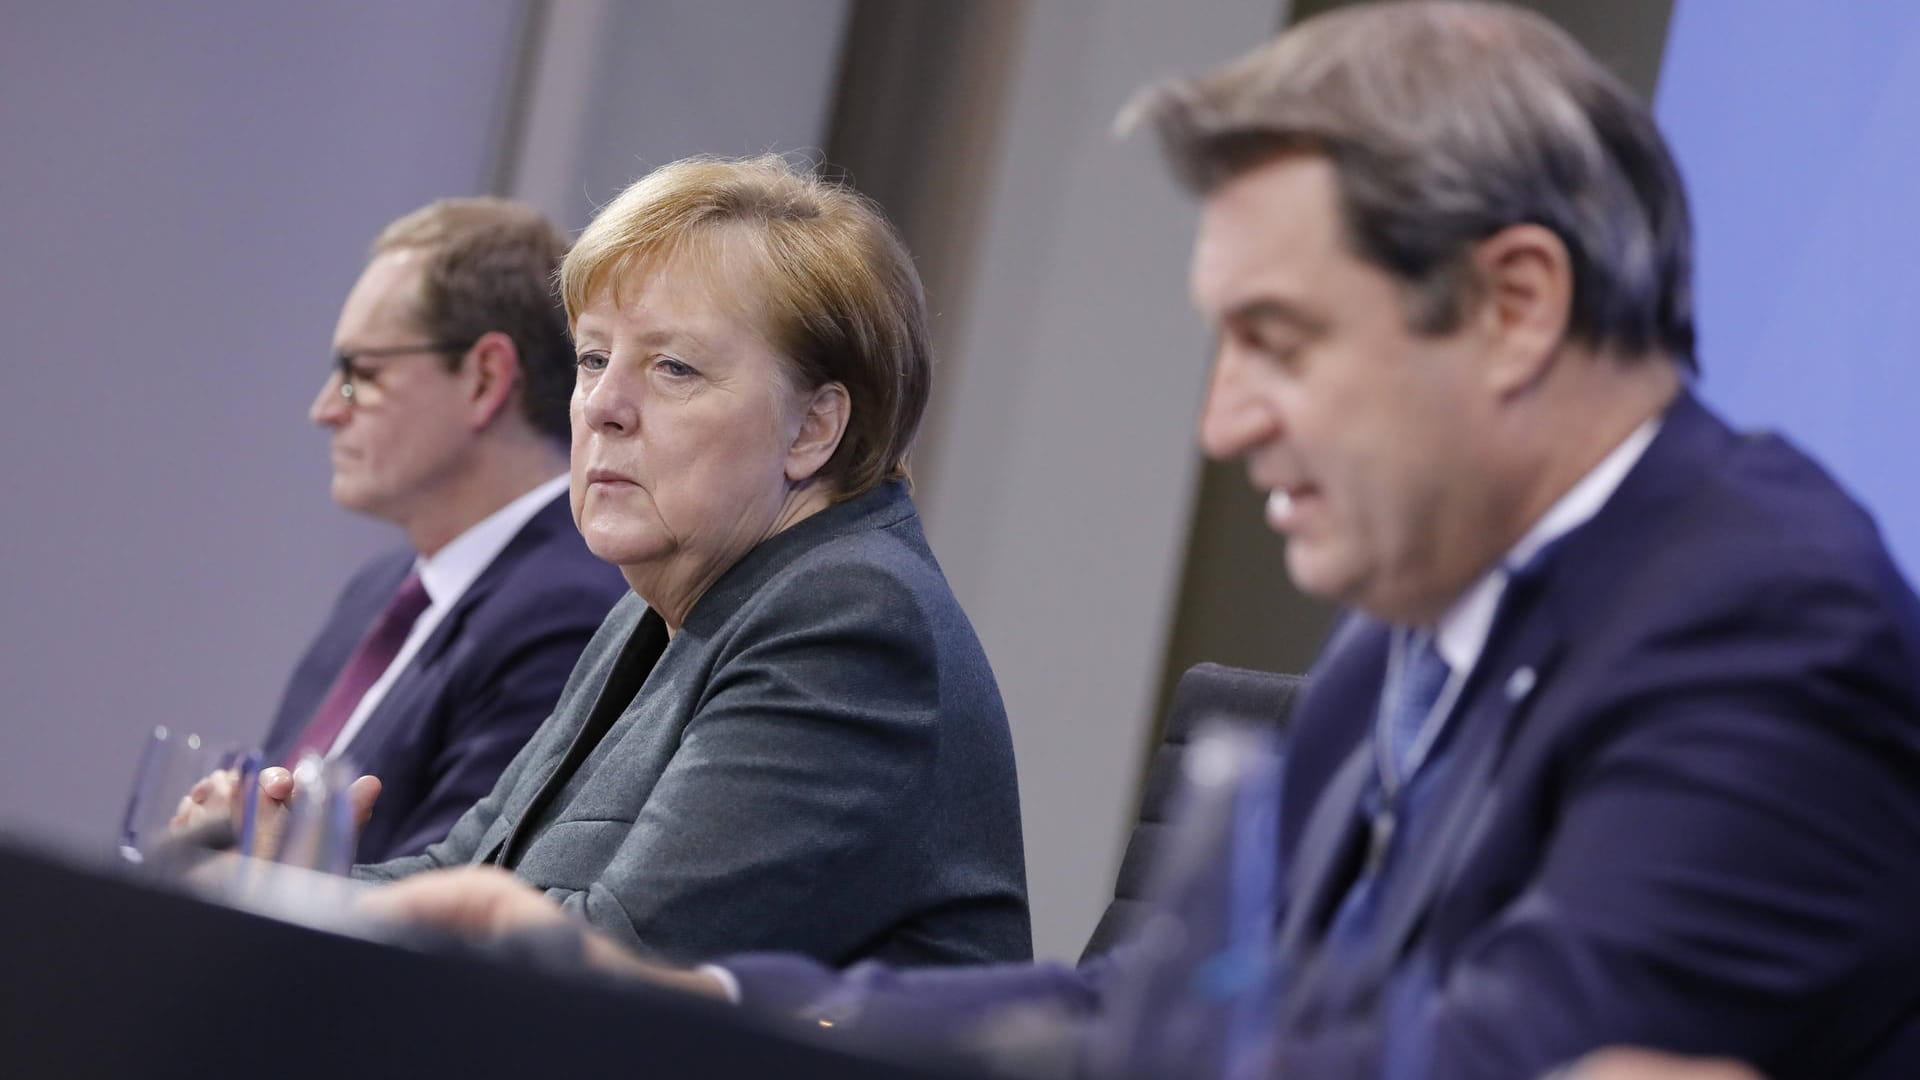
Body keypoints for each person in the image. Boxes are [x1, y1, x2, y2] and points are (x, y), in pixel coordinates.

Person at [363, 4, 1920, 1079]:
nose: (1226, 422)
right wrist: (686, 993)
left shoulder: (1761, 621)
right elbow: (1143, 1014)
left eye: (1279, 339)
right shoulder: (1414, 622)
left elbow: (1497, 1058)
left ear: (1515, 306)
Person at [220, 155, 1031, 968]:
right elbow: (463, 871)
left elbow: (626, 958)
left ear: (813, 428)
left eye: (672, 367)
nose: (604, 407)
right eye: (593, 358)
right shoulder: (655, 609)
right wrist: (267, 881)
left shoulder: (851, 623)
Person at [255, 198, 627, 862]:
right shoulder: (378, 591)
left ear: (485, 378)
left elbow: (451, 901)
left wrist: (253, 872)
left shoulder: (566, 611)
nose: (322, 411)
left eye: (360, 375)